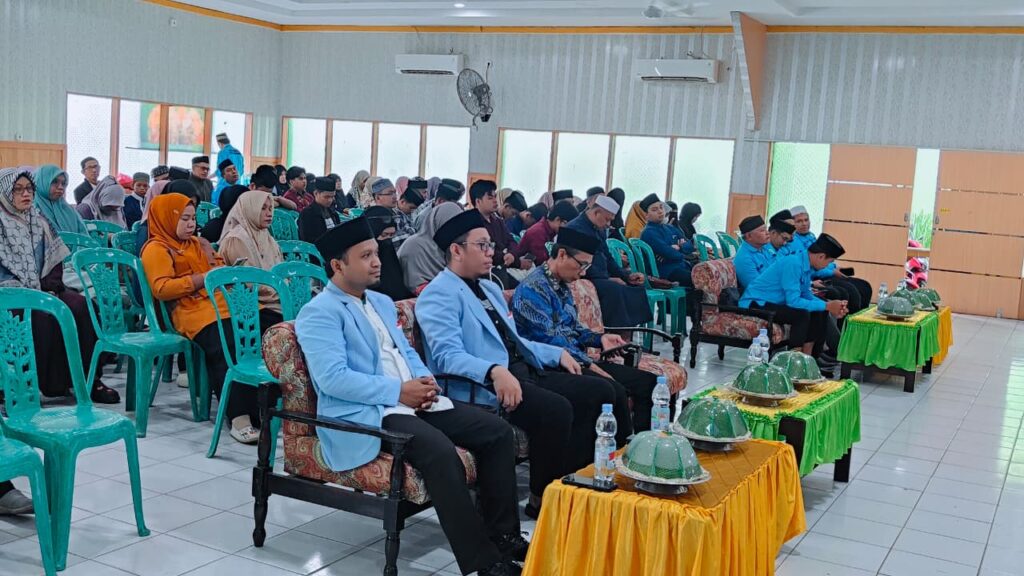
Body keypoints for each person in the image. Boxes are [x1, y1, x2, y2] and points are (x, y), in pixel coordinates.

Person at [296, 219, 527, 576]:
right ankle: (484, 562)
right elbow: (333, 380)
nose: (378, 262)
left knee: (496, 432)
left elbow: (404, 352)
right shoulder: (319, 313)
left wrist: (425, 382)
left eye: (376, 253)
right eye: (366, 256)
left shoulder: (381, 302)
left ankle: (504, 537)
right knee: (439, 452)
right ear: (338, 265)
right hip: (369, 410)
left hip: (411, 398)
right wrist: (398, 392)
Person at [417, 209, 617, 519]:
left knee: (598, 391)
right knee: (557, 408)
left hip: (521, 368)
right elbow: (446, 356)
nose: (491, 252)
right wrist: (493, 371)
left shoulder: (489, 288)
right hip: (487, 384)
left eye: (491, 245)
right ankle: (542, 498)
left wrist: (555, 354)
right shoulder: (438, 295)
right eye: (482, 245)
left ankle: (575, 487)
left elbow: (514, 339)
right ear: (456, 250)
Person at [141, 193, 270, 443]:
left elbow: (216, 266)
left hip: (219, 303)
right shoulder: (157, 249)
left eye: (193, 218)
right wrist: (202, 279)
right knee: (226, 341)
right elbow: (162, 288)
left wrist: (224, 270)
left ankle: (264, 407)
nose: (191, 224)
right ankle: (239, 416)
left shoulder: (198, 244)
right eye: (184, 219)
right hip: (190, 311)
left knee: (265, 327)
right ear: (167, 219)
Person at [512, 227, 657, 438]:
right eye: (582, 265)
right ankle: (618, 450)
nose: (584, 272)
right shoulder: (532, 289)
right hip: (553, 365)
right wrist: (590, 365)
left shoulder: (562, 284)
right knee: (613, 390)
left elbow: (574, 328)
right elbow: (551, 341)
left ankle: (647, 444)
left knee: (648, 383)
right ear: (562, 254)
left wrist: (600, 338)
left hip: (577, 359)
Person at [0, 167, 120, 403]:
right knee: (40, 317)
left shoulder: (38, 220)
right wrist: (25, 291)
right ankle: (20, 387)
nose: (26, 194)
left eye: (29, 188)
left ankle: (88, 380)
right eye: (18, 189)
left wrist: (51, 287)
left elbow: (55, 259)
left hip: (42, 287)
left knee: (82, 307)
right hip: (9, 294)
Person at [739, 233, 849, 358]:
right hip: (756, 302)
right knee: (801, 315)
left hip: (775, 302)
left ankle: (811, 358)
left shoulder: (806, 264)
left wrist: (829, 306)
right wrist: (828, 305)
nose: (827, 266)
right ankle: (794, 360)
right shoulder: (793, 263)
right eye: (829, 262)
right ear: (821, 256)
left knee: (819, 310)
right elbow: (794, 302)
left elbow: (806, 294)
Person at [565, 196, 652, 327]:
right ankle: (612, 333)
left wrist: (626, 276)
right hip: (581, 278)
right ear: (596, 212)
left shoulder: (598, 229)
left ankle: (627, 334)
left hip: (599, 277)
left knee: (635, 288)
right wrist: (608, 279)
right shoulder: (575, 229)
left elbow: (608, 258)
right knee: (614, 289)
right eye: (607, 219)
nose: (608, 224)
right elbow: (578, 265)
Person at [790, 205, 872, 314]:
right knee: (849, 292)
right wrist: (832, 272)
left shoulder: (811, 236)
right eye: (799, 221)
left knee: (864, 286)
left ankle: (859, 321)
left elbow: (824, 258)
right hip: (816, 277)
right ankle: (844, 322)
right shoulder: (793, 242)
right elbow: (813, 265)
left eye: (806, 220)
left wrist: (835, 267)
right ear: (793, 224)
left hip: (827, 272)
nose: (804, 224)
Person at [218, 190, 286, 315]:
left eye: (270, 208)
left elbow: (279, 267)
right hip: (250, 304)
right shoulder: (237, 239)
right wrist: (283, 290)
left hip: (274, 294)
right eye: (263, 208)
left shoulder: (264, 234)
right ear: (249, 209)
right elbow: (250, 282)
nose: (269, 213)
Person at [470, 180, 533, 287]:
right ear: (478, 201)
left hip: (501, 269)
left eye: (495, 197)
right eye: (490, 198)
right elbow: (485, 251)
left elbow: (511, 241)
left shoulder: (497, 220)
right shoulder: (473, 223)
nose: (495, 201)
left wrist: (512, 254)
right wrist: (510, 259)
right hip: (484, 274)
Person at [398, 202, 464, 294]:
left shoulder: (454, 247)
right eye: (449, 223)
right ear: (436, 221)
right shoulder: (414, 246)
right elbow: (415, 284)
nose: (454, 229)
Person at [639, 198, 695, 287]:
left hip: (681, 266)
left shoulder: (670, 228)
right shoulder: (649, 232)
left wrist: (679, 247)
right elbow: (671, 254)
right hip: (665, 272)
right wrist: (680, 248)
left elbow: (690, 246)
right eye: (654, 210)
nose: (660, 211)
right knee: (701, 279)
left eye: (661, 207)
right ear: (646, 215)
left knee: (708, 273)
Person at [362, 205, 413, 302]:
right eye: (384, 235)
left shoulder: (391, 254)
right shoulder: (359, 264)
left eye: (391, 235)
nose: (388, 240)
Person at [513, 201, 577, 265]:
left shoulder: (550, 231)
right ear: (557, 219)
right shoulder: (538, 232)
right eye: (567, 226)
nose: (568, 231)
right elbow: (542, 261)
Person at [33, 164, 88, 235]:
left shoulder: (68, 210)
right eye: (54, 182)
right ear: (41, 182)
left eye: (63, 183)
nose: (61, 187)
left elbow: (84, 236)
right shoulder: (30, 210)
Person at [733, 215, 773, 293]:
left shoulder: (766, 247)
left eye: (766, 229)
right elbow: (758, 289)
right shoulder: (744, 258)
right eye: (762, 231)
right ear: (749, 236)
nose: (767, 233)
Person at [297, 177, 342, 242]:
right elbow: (307, 240)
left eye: (332, 197)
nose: (330, 200)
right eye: (326, 197)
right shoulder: (307, 214)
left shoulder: (333, 213)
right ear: (316, 193)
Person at [392, 182, 425, 248]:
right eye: (411, 208)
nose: (412, 211)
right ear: (402, 202)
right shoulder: (395, 216)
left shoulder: (406, 214)